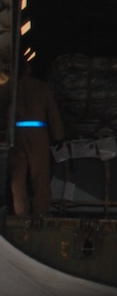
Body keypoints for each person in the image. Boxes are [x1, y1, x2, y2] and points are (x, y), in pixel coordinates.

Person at [9, 70, 64, 217]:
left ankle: (20, 211)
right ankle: (40, 211)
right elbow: (52, 112)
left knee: (17, 176)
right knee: (40, 175)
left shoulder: (12, 87)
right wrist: (59, 136)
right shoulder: (42, 87)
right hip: (38, 134)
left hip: (16, 133)